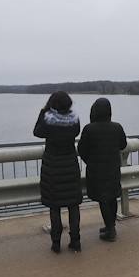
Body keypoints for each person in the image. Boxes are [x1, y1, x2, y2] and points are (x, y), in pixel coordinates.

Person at [33, 91, 83, 252]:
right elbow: (76, 132)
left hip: (52, 167)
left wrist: (43, 111)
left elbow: (37, 132)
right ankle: (75, 241)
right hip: (70, 165)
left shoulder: (48, 121)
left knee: (54, 206)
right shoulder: (74, 121)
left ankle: (56, 243)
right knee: (73, 205)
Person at [78, 98, 128, 242]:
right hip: (113, 168)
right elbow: (123, 145)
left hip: (96, 170)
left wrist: (90, 161)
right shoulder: (117, 127)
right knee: (112, 197)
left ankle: (110, 230)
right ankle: (110, 226)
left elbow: (81, 149)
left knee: (103, 199)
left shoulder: (89, 129)